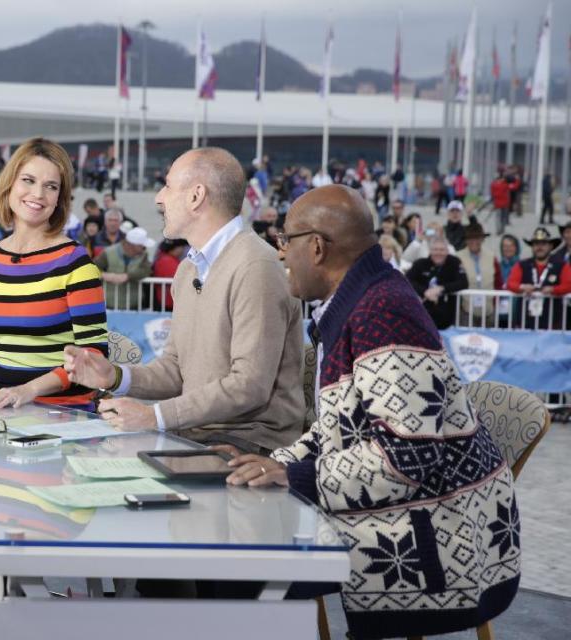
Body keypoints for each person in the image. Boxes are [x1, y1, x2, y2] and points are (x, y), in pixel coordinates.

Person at [219, 184, 519, 639]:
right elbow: (336, 428)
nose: (281, 255)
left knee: (243, 565)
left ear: (315, 247)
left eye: (285, 241)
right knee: (236, 552)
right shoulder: (359, 303)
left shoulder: (383, 311)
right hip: (410, 508)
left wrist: (292, 477)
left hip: (440, 531)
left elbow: (409, 458)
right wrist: (271, 464)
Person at [64, 147, 304, 454]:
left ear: (196, 196)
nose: (158, 198)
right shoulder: (188, 268)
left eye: (167, 186)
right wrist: (114, 376)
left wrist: (154, 416)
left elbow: (249, 386)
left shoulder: (256, 266)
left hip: (248, 445)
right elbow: (176, 371)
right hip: (198, 438)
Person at [0, 137, 109, 410]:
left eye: (50, 186)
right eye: (28, 180)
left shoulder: (75, 263)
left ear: (60, 199)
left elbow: (93, 354)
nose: (38, 194)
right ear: (9, 185)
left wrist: (29, 390)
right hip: (1, 410)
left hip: (65, 414)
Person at [505, 227, 571, 329]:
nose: (539, 247)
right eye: (536, 244)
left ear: (550, 246)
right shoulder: (522, 265)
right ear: (532, 246)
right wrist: (522, 287)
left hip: (552, 324)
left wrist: (554, 290)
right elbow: (510, 283)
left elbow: (568, 285)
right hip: (525, 323)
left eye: (543, 244)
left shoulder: (561, 265)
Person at [406, 237, 469, 329]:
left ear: (447, 251)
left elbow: (464, 282)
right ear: (430, 251)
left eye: (442, 250)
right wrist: (424, 291)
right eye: (435, 250)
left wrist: (441, 289)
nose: (438, 253)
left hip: (448, 318)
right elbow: (407, 280)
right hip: (423, 316)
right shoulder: (420, 264)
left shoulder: (455, 262)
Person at [94, 226, 154, 310]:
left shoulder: (144, 255)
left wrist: (127, 276)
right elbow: (90, 269)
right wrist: (104, 275)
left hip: (134, 306)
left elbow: (146, 270)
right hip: (108, 305)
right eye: (142, 246)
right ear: (133, 245)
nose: (145, 248)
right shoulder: (108, 252)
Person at [456, 222, 501, 326]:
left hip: (489, 311)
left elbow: (498, 282)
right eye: (470, 239)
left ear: (482, 239)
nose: (474, 242)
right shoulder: (458, 257)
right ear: (466, 240)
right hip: (466, 311)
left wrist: (496, 305)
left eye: (477, 238)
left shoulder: (491, 256)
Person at [151, 238, 189, 311]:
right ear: (175, 248)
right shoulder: (167, 261)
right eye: (181, 247)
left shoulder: (164, 258)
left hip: (168, 300)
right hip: (168, 302)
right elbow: (178, 278)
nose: (182, 250)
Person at [489, 169, 511, 235]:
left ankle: (498, 230)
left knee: (498, 217)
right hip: (505, 203)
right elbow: (508, 193)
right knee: (503, 217)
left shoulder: (493, 185)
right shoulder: (505, 185)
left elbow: (492, 194)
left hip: (497, 203)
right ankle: (502, 229)